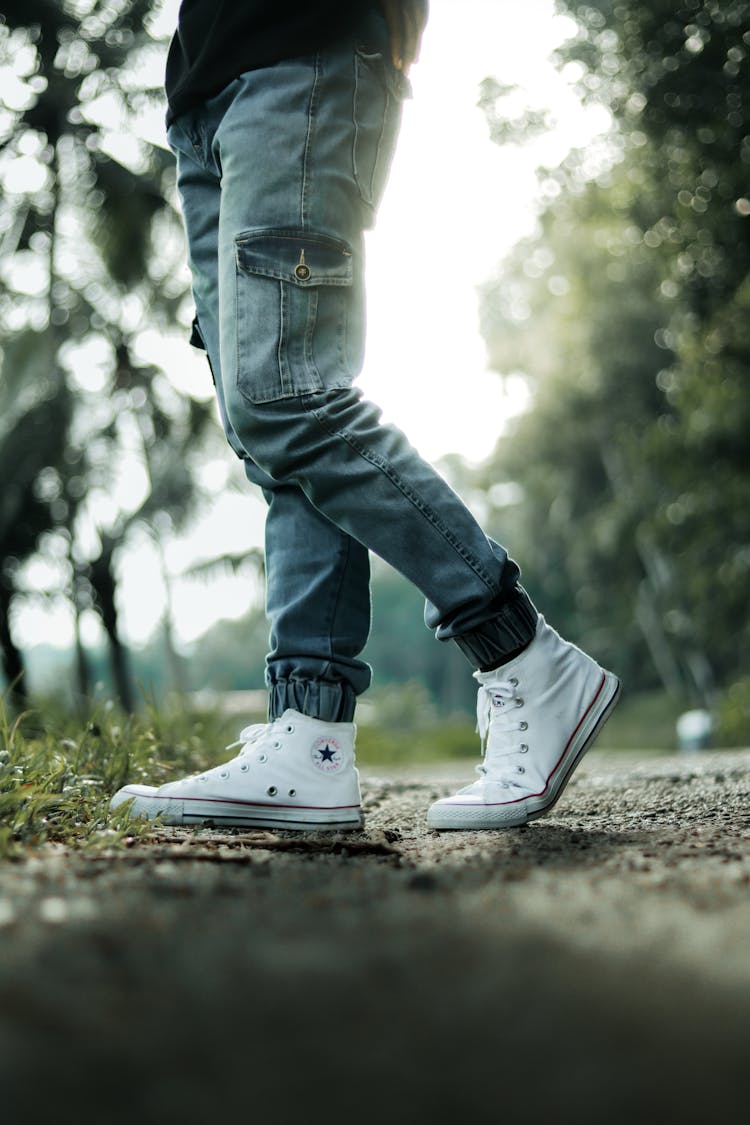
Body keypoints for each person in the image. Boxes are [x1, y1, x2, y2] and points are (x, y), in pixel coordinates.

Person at [110, 0, 620, 832]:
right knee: (266, 431)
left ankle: (524, 653)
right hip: (204, 89)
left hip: (302, 52)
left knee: (290, 394)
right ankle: (310, 738)